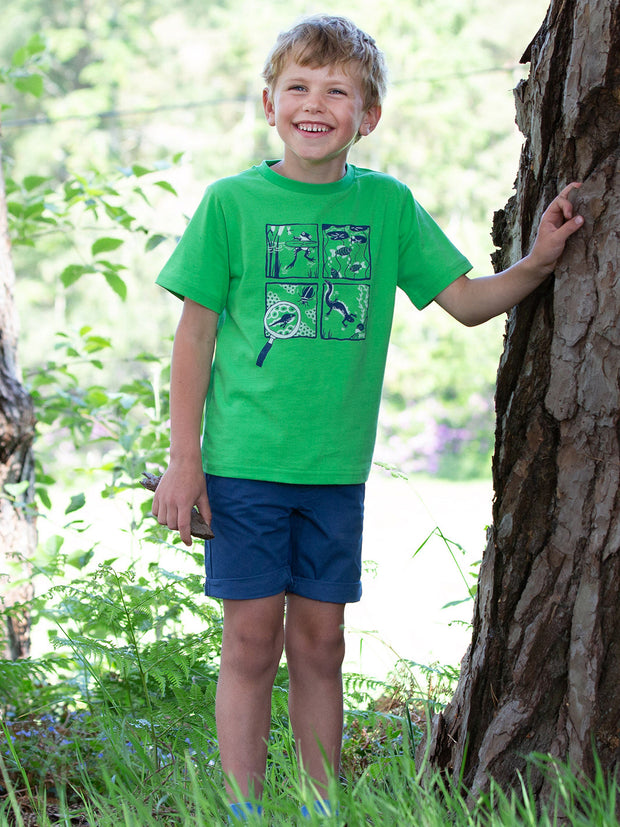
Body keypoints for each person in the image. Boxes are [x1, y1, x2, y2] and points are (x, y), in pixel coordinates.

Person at [152, 14, 583, 820]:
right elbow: (195, 338)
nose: (315, 104)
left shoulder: (386, 206)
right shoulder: (231, 204)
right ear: (270, 104)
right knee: (251, 641)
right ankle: (241, 810)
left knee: (322, 645)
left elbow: (466, 301)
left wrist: (540, 261)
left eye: (337, 91)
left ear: (368, 116)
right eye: (298, 87)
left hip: (334, 473)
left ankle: (322, 808)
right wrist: (185, 460)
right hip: (242, 467)